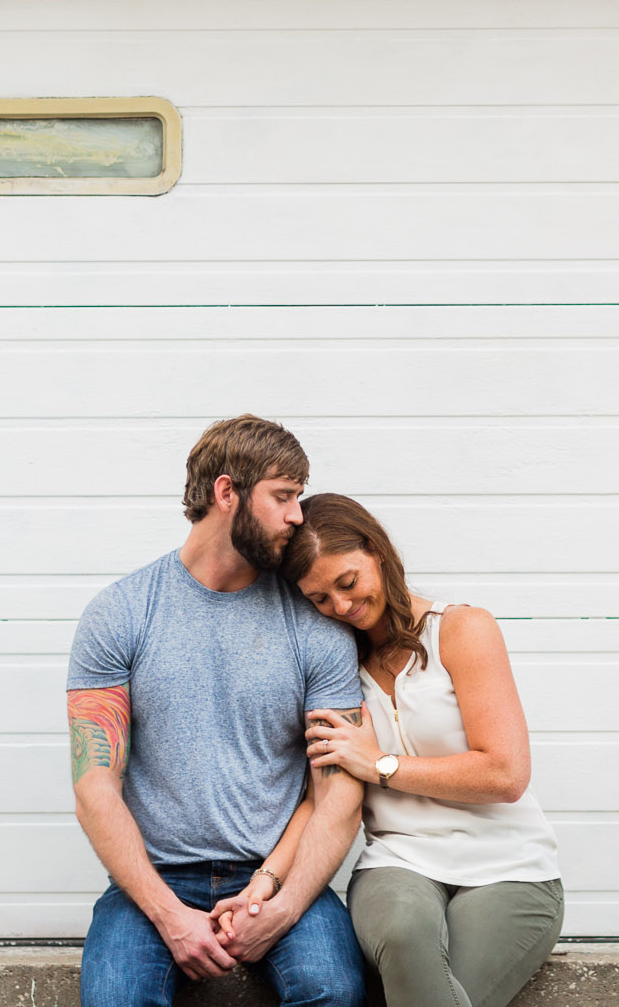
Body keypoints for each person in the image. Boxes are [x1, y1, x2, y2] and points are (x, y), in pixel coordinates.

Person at [68, 416, 367, 1007]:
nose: (298, 516)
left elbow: (336, 793)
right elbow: (94, 787)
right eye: (283, 496)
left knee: (332, 992)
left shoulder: (315, 623)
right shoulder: (122, 613)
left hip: (275, 869)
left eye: (299, 497)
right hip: (153, 880)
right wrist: (168, 914)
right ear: (226, 493)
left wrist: (278, 901)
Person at [244, 493, 563, 1007]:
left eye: (347, 582)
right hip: (399, 859)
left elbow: (505, 774)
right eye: (320, 599)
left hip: (511, 866)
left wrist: (379, 765)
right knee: (402, 932)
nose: (342, 607)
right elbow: (318, 800)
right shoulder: (335, 669)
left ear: (377, 551)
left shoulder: (462, 630)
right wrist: (268, 879)